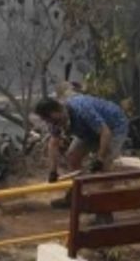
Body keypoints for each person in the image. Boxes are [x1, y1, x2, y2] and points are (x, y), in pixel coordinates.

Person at [34, 94, 129, 222]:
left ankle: (105, 211)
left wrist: (99, 158)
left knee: (104, 168)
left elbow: (105, 132)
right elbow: (53, 143)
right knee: (72, 157)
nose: (55, 124)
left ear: (59, 109)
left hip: (113, 126)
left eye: (54, 120)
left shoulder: (82, 109)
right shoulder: (53, 120)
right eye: (49, 121)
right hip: (89, 131)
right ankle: (74, 197)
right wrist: (53, 171)